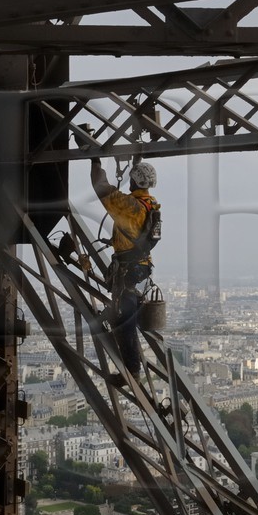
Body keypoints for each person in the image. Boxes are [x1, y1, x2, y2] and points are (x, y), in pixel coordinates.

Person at [90, 158, 160, 375]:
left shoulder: (130, 206)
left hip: (129, 270)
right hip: (141, 268)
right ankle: (134, 365)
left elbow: (100, 187)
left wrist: (95, 161)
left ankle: (132, 370)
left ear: (134, 181)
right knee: (126, 316)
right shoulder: (151, 204)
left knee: (124, 322)